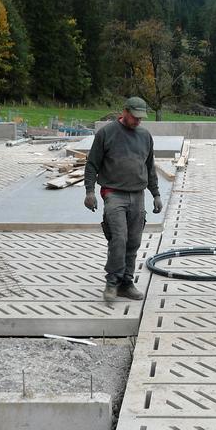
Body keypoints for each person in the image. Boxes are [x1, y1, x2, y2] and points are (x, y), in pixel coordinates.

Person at [84, 96, 163, 304]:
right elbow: (92, 164)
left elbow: (149, 167)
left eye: (141, 118)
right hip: (113, 194)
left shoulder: (145, 136)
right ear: (125, 111)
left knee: (134, 241)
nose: (138, 121)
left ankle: (126, 283)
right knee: (118, 238)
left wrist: (156, 194)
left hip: (138, 195)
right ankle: (112, 282)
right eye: (135, 117)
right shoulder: (106, 133)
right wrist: (90, 191)